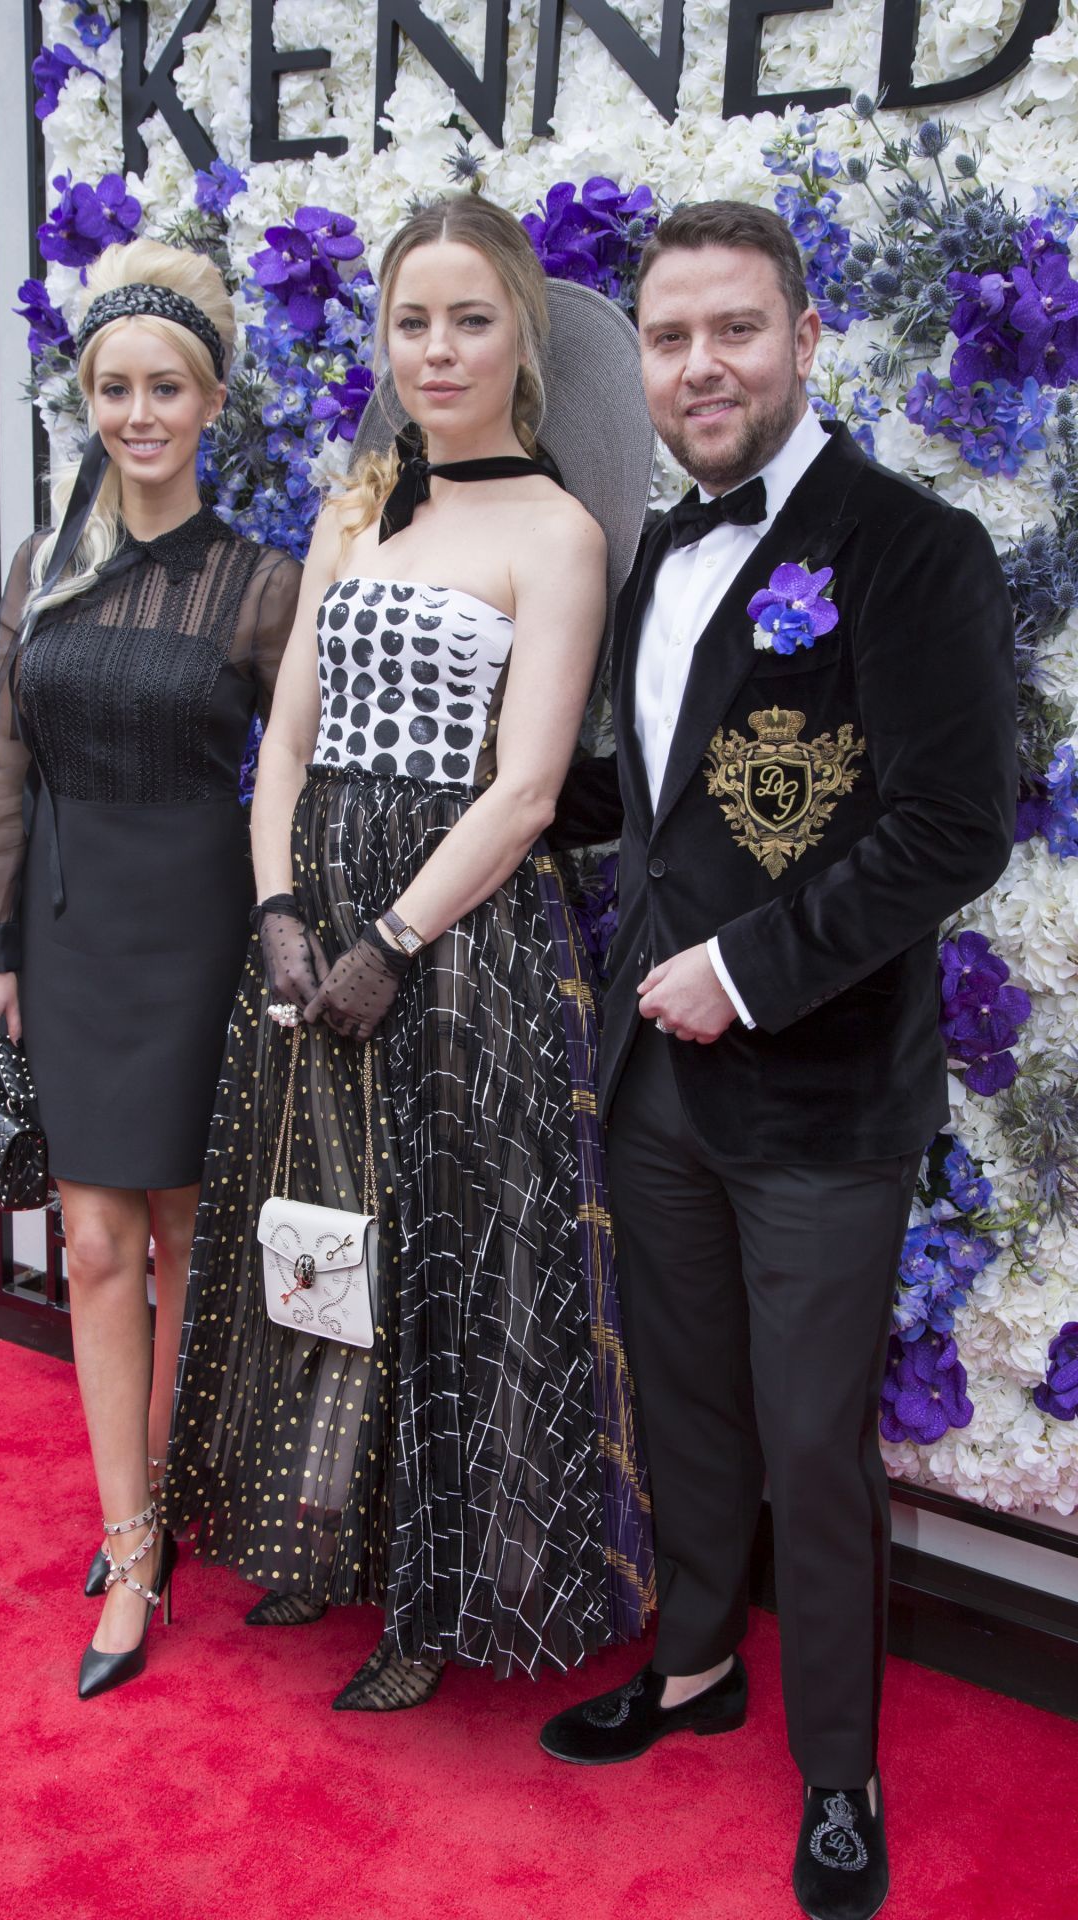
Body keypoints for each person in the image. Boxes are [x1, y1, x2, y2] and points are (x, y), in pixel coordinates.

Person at [539, 202, 1016, 1920]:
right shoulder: (656, 550)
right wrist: (491, 801)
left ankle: (838, 1772)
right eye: (670, 339)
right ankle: (692, 1666)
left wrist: (745, 976)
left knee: (814, 1444)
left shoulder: (913, 546)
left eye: (734, 330)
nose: (700, 366)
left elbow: (952, 827)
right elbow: (651, 801)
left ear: (806, 338)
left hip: (820, 1091)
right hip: (652, 1083)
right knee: (681, 1401)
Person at [163, 193, 655, 1708]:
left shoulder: (560, 532)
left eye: (470, 320)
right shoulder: (356, 507)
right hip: (314, 920)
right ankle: (325, 1538)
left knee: (449, 1251)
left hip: (460, 936)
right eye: (411, 322)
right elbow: (285, 742)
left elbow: (527, 789)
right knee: (318, 1230)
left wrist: (389, 940)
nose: (437, 350)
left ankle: (436, 1600)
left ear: (522, 342)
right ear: (383, 339)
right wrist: (279, 909)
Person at [0, 237, 300, 1700]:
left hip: (202, 937)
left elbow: (301, 785)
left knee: (185, 1242)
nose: (139, 414)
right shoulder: (42, 571)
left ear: (213, 401)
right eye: (114, 389)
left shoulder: (263, 585)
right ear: (87, 401)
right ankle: (132, 1535)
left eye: (167, 387)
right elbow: (5, 768)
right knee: (94, 1245)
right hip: (70, 931)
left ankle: (170, 1485)